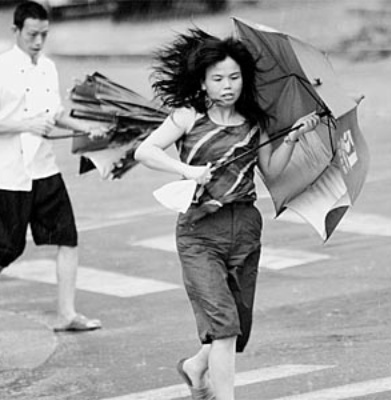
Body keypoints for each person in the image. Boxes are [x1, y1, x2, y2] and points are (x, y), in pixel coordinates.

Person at [134, 29, 320, 400]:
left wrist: (294, 137)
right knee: (223, 327)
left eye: (234, 77)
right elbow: (145, 151)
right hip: (199, 232)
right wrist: (187, 171)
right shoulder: (189, 116)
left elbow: (274, 170)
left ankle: (195, 366)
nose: (227, 85)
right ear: (202, 82)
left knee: (234, 328)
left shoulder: (255, 122)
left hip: (246, 228)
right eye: (218, 78)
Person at [0, 1, 105, 332]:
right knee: (8, 247)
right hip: (6, 173)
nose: (38, 42)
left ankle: (66, 313)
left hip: (44, 167)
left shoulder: (49, 68)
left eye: (44, 35)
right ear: (15, 31)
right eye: (32, 34)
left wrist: (86, 128)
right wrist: (25, 125)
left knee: (67, 236)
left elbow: (55, 113)